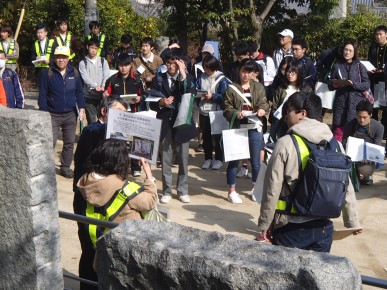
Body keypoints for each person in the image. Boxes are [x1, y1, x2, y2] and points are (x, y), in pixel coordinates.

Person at [257, 92, 362, 252]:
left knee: (288, 277)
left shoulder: (286, 143)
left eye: (288, 111)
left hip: (290, 228)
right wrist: (353, 222)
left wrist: (265, 224)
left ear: (303, 114)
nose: (285, 116)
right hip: (324, 229)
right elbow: (346, 187)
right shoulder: (335, 145)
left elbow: (272, 188)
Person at [77, 138, 157, 288]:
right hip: (123, 255)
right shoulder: (127, 189)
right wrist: (149, 176)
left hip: (95, 252)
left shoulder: (85, 182)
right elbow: (150, 201)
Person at [73, 96, 128, 290]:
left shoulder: (117, 134)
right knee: (90, 251)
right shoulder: (92, 131)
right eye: (119, 113)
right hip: (87, 197)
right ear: (105, 112)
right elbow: (88, 165)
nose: (123, 117)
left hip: (108, 199)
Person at [149, 54, 196, 204]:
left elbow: (190, 93)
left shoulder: (187, 78)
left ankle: (183, 190)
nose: (170, 66)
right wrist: (161, 102)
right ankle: (167, 191)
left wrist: (183, 74)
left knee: (183, 158)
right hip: (165, 122)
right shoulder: (159, 79)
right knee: (166, 158)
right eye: (168, 63)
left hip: (182, 123)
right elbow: (151, 102)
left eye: (174, 64)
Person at [223, 58, 269, 204]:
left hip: (254, 126)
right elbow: (227, 108)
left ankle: (256, 188)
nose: (246, 75)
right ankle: (231, 190)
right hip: (238, 128)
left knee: (256, 161)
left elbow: (263, 102)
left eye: (249, 72)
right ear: (239, 71)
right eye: (244, 71)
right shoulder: (231, 88)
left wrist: (262, 110)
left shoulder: (258, 87)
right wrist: (237, 113)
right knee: (234, 160)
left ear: (253, 73)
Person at [38, 46, 85, 178]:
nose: (61, 60)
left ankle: (65, 167)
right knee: (49, 142)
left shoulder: (74, 73)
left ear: (68, 58)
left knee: (69, 142)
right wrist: (43, 112)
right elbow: (42, 95)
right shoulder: (47, 72)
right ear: (54, 57)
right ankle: (46, 167)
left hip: (71, 114)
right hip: (52, 115)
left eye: (64, 57)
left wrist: (81, 107)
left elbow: (79, 92)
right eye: (58, 57)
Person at [105, 53, 144, 176]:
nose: (123, 68)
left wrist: (140, 98)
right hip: (117, 115)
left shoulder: (137, 80)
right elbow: (108, 97)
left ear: (130, 65)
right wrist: (106, 96)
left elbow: (144, 94)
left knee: (134, 140)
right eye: (121, 65)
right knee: (118, 141)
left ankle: (135, 166)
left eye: (126, 65)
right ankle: (119, 166)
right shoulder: (112, 80)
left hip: (133, 112)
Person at [329, 40, 370, 142]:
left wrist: (354, 84)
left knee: (353, 129)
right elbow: (330, 84)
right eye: (345, 50)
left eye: (350, 50)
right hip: (340, 102)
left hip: (355, 102)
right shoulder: (337, 65)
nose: (347, 52)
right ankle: (338, 151)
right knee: (339, 129)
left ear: (354, 52)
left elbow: (366, 84)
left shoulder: (359, 66)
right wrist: (334, 84)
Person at [196, 55, 230, 170]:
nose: (206, 70)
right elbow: (196, 89)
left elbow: (226, 96)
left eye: (208, 68)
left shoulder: (221, 79)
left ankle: (219, 159)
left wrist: (213, 96)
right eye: (204, 67)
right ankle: (208, 158)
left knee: (217, 136)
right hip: (204, 111)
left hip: (217, 112)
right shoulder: (201, 77)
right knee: (206, 136)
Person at [342, 100, 384, 185]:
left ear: (371, 115)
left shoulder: (379, 127)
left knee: (366, 170)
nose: (361, 120)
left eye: (365, 117)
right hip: (352, 155)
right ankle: (354, 174)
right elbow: (344, 143)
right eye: (359, 116)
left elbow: (377, 146)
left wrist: (369, 157)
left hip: (368, 157)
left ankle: (367, 176)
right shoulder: (349, 125)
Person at [270, 59, 313, 126]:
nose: (290, 75)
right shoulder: (281, 89)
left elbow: (310, 108)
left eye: (293, 72)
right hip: (282, 123)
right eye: (288, 72)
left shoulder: (306, 90)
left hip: (301, 123)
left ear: (299, 73)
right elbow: (275, 107)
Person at [78, 37, 110, 124]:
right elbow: (85, 78)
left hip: (101, 96)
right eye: (92, 48)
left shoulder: (103, 61)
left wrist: (103, 85)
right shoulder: (82, 63)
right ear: (87, 47)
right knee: (91, 121)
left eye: (96, 48)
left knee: (103, 120)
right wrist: (95, 86)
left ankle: (101, 138)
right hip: (89, 97)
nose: (93, 50)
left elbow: (106, 75)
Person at [368, 25, 387, 127]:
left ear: (386, 35)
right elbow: (370, 61)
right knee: (373, 104)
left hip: (385, 80)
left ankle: (384, 128)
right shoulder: (373, 47)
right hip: (374, 79)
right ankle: (373, 125)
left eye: (380, 34)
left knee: (385, 106)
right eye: (376, 34)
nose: (378, 37)